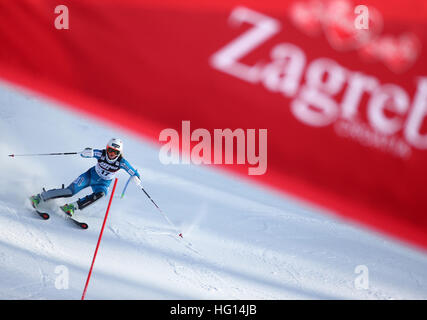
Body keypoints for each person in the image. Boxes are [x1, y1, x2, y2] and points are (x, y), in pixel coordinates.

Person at [30, 138, 141, 216]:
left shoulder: (122, 162)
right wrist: (86, 152)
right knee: (69, 191)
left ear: (119, 153)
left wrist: (136, 178)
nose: (112, 154)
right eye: (110, 150)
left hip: (103, 184)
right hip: (89, 176)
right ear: (106, 149)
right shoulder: (101, 154)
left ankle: (71, 207)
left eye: (115, 152)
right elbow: (87, 153)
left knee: (101, 194)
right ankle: (39, 197)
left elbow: (134, 173)